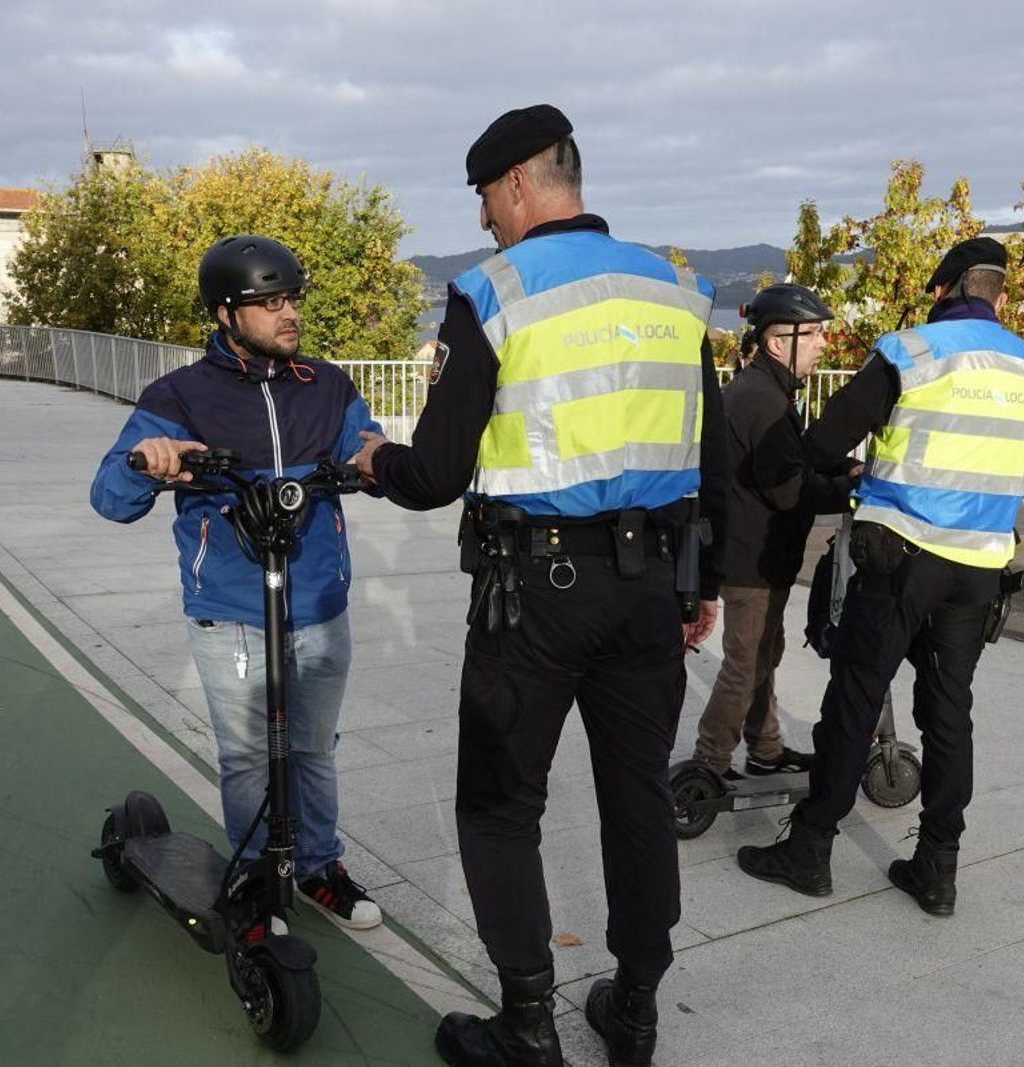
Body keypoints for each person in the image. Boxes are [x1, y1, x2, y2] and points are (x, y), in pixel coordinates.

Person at [350, 104, 727, 1067]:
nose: (482, 217)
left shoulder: (496, 291)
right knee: (638, 795)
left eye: (484, 195)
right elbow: (709, 454)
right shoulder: (678, 287)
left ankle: (526, 1026)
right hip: (652, 586)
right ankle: (635, 1012)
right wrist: (702, 583)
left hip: (535, 596)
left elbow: (435, 475)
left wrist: (373, 460)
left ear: (519, 181)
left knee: (500, 805)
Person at [737, 237, 1024, 917]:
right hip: (978, 567)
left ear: (943, 289)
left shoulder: (912, 351)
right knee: (949, 713)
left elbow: (824, 442)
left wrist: (871, 473)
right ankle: (938, 869)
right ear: (999, 296)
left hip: (901, 555)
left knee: (856, 699)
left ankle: (811, 848)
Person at [90, 235, 383, 932]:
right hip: (230, 609)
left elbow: (364, 447)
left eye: (292, 300)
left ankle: (317, 865)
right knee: (249, 755)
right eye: (269, 303)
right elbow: (109, 495)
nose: (290, 314)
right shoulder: (179, 396)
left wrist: (379, 456)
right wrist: (146, 460)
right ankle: (254, 870)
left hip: (317, 602)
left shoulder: (328, 386)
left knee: (314, 748)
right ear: (225, 313)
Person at [690, 284, 860, 781]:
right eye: (812, 334)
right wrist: (848, 491)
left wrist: (837, 471)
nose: (823, 343)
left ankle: (765, 746)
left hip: (761, 555)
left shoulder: (765, 391)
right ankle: (709, 761)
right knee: (745, 665)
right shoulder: (761, 400)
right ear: (776, 342)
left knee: (765, 652)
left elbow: (792, 460)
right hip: (751, 561)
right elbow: (788, 488)